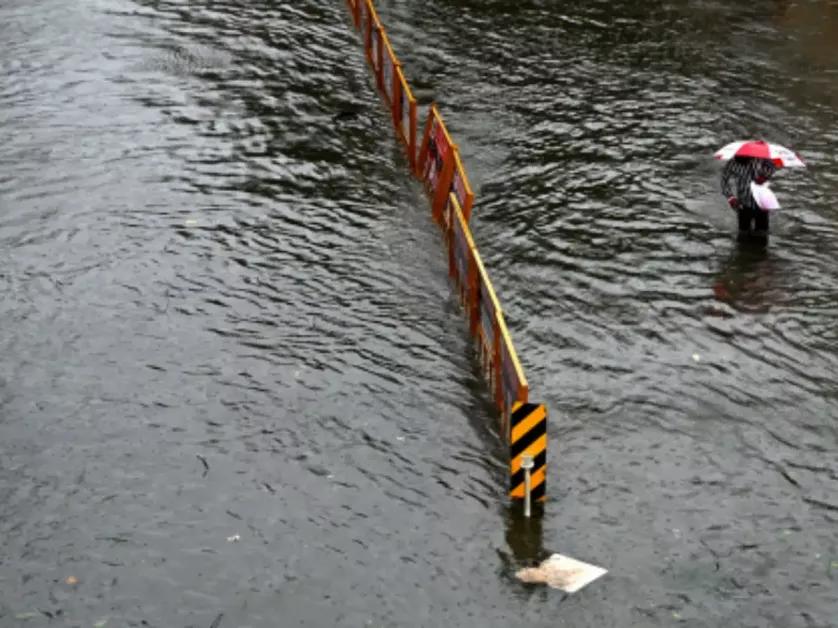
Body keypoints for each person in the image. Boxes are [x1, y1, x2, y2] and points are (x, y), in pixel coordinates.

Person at [721, 156, 778, 241]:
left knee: (762, 236)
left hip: (761, 204)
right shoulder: (732, 163)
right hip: (743, 203)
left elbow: (773, 166)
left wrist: (765, 176)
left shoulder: (762, 160)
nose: (740, 161)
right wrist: (731, 197)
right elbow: (724, 181)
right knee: (743, 235)